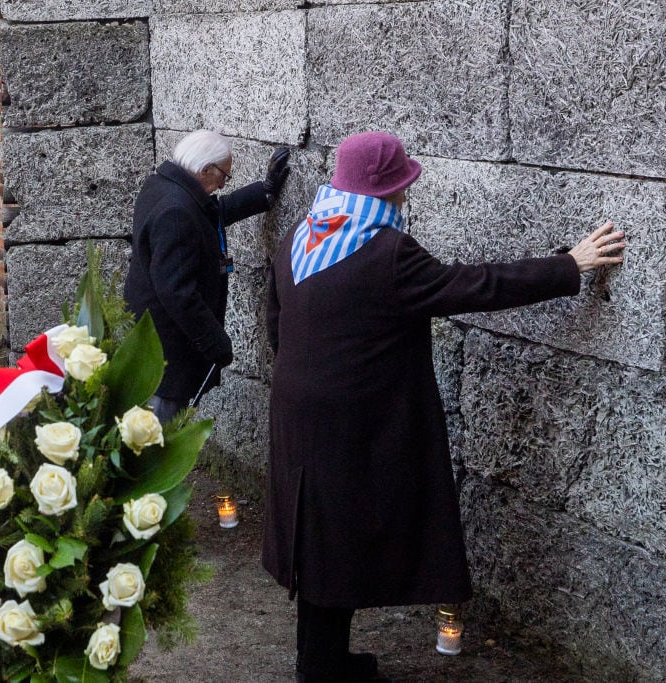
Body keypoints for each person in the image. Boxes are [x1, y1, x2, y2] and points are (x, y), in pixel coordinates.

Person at [261, 131, 625, 682]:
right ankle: (320, 670)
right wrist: (568, 265)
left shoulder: (301, 235)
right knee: (338, 541)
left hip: (297, 414)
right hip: (354, 424)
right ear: (388, 193)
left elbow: (276, 319)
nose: (407, 197)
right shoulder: (386, 253)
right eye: (403, 187)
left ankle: (324, 660)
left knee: (318, 539)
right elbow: (473, 286)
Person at [125, 129, 291, 422]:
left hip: (157, 341)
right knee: (157, 440)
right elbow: (177, 292)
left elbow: (208, 214)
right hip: (167, 351)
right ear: (204, 169)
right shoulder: (176, 210)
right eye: (224, 176)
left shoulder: (164, 187)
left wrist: (263, 192)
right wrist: (216, 342)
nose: (223, 183)